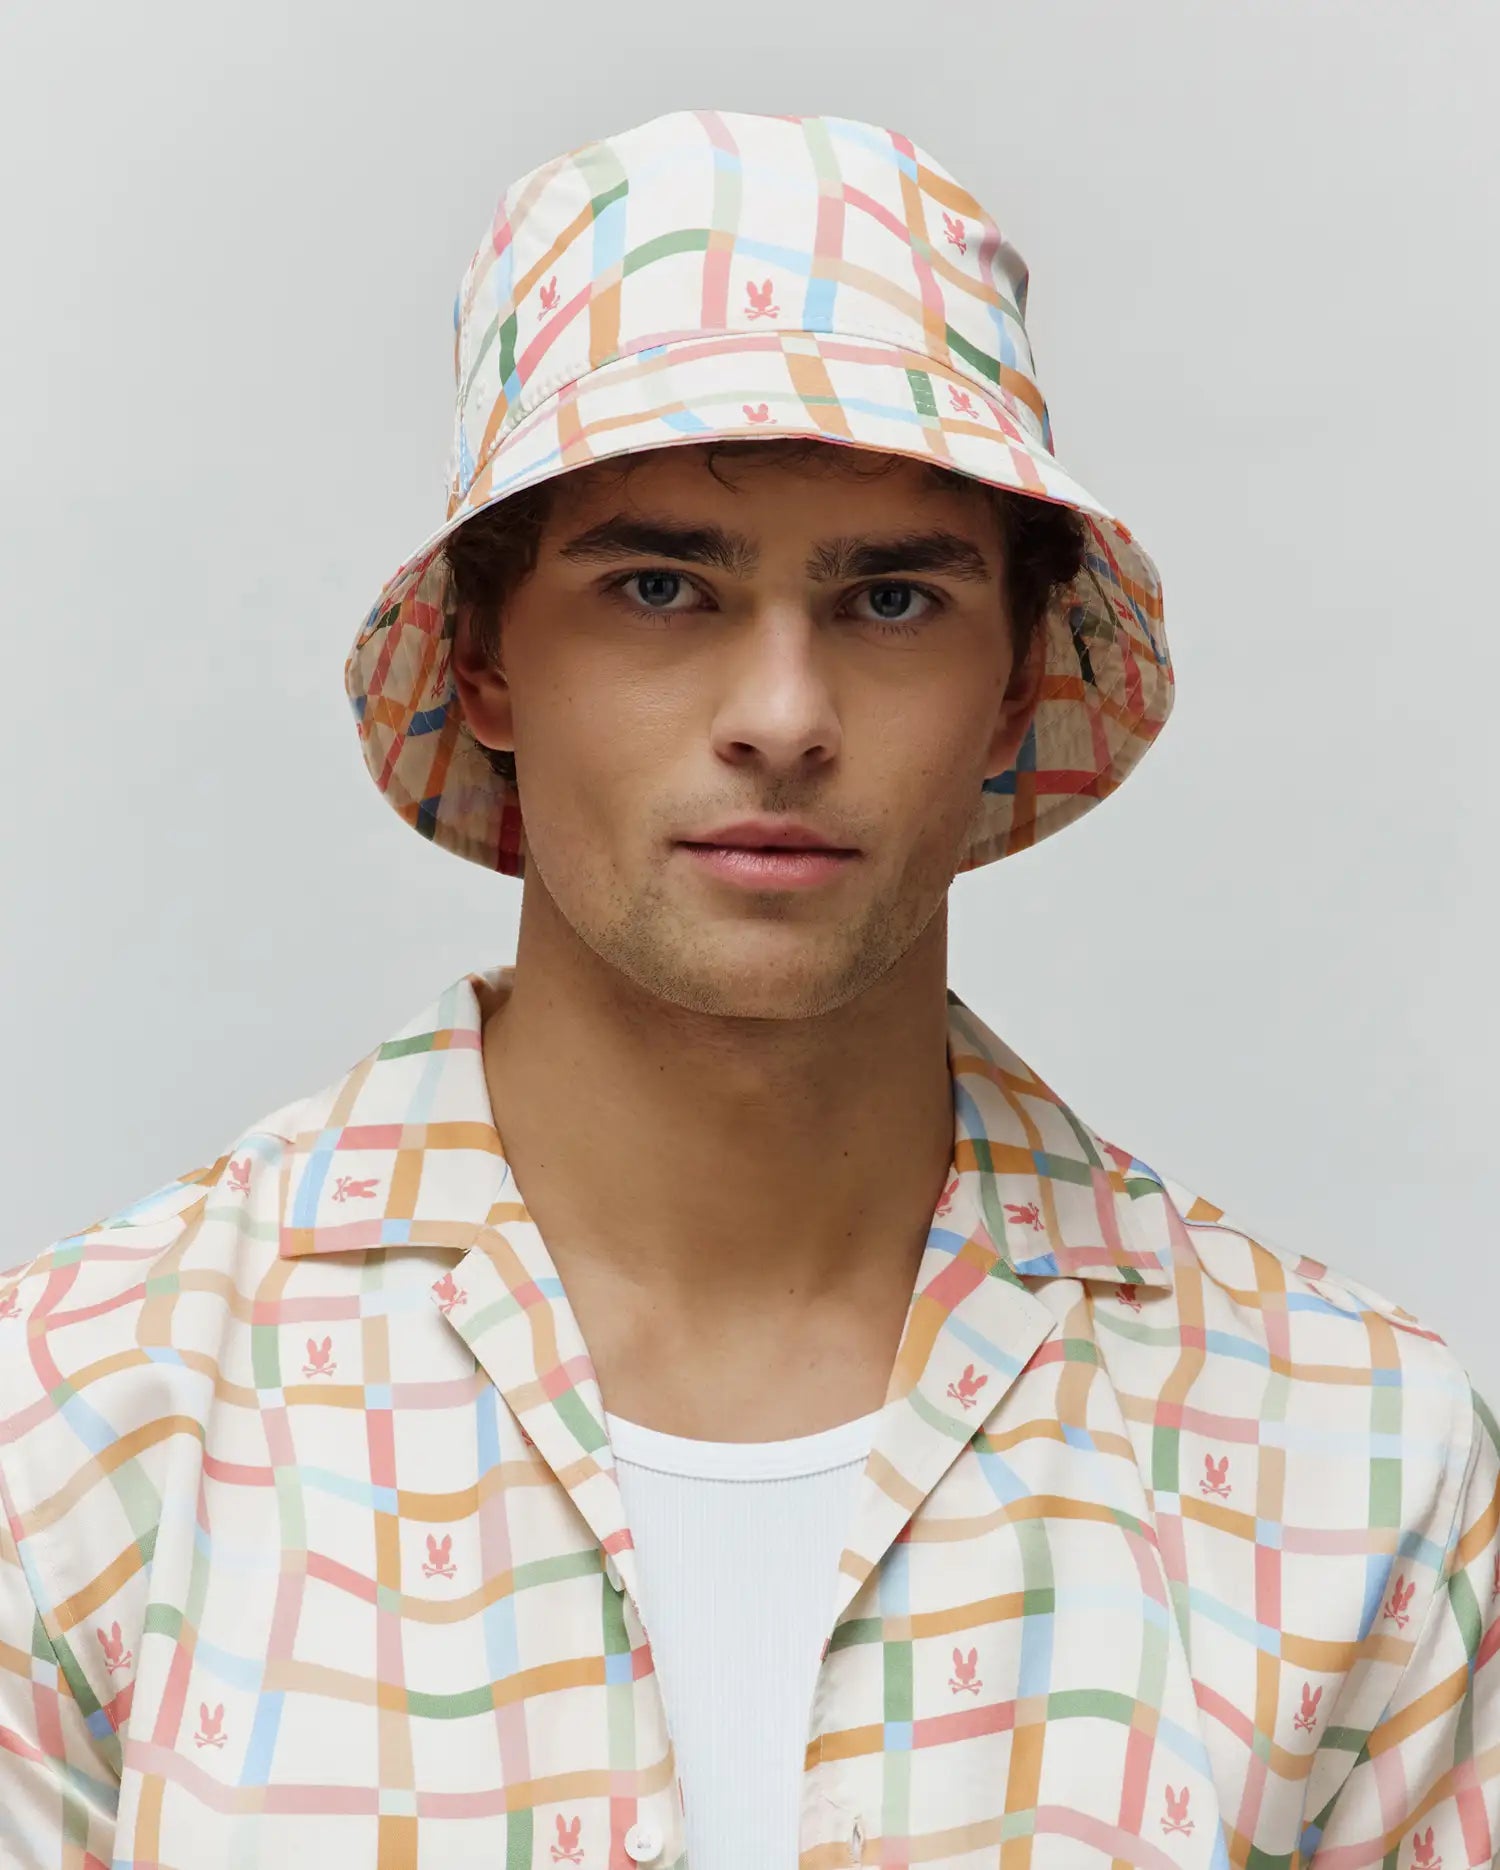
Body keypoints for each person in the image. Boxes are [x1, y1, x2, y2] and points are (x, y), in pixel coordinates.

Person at [1, 108, 1494, 1870]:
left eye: (892, 599)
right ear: (485, 659)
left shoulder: (1354, 1471)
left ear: (1019, 679)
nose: (783, 715)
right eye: (661, 586)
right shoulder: (81, 1433)